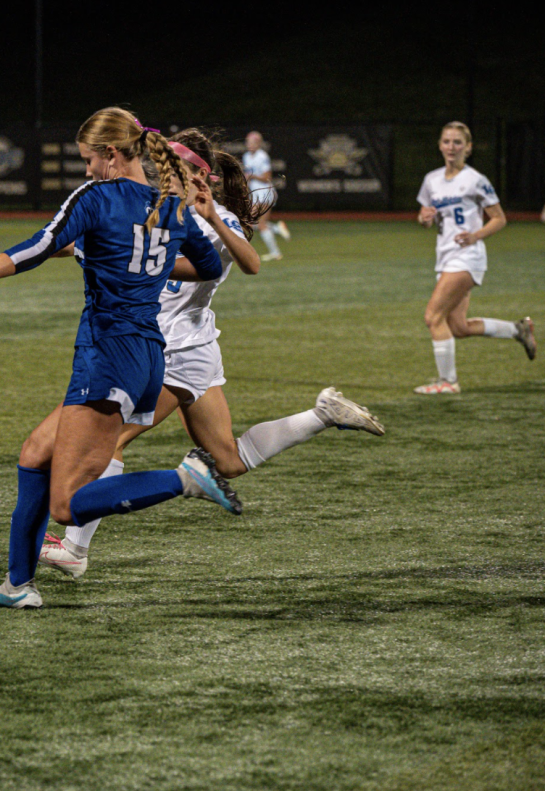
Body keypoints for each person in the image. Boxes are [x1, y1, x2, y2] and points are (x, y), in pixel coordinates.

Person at [0, 109, 238, 610]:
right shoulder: (172, 206)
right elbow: (205, 265)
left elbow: (38, 246)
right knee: (34, 454)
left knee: (67, 503)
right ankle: (18, 586)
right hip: (146, 356)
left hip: (107, 353)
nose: (88, 170)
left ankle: (185, 479)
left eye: (89, 160)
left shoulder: (97, 197)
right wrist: (134, 262)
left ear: (111, 155)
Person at [39, 129, 385, 579]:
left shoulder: (216, 219)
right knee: (228, 460)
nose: (161, 172)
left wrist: (214, 219)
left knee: (110, 441)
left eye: (172, 167)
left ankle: (74, 550)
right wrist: (60, 247)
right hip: (194, 351)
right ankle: (322, 414)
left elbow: (250, 263)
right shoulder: (155, 208)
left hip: (172, 350)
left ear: (200, 175)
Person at [413, 122, 534, 394]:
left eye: (458, 142)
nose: (451, 147)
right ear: (440, 145)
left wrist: (475, 236)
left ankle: (448, 382)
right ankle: (518, 330)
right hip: (445, 258)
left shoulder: (475, 179)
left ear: (468, 148)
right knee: (458, 327)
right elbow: (424, 219)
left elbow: (500, 219)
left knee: (433, 316)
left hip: (467, 257)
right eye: (446, 141)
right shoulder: (432, 179)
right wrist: (424, 219)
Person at [242, 130, 289, 261]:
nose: (250, 145)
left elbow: (267, 177)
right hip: (257, 193)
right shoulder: (246, 156)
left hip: (265, 192)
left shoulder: (262, 157)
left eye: (253, 142)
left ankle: (272, 252)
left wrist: (252, 176)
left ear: (259, 144)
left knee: (253, 223)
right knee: (256, 223)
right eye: (248, 142)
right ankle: (277, 231)